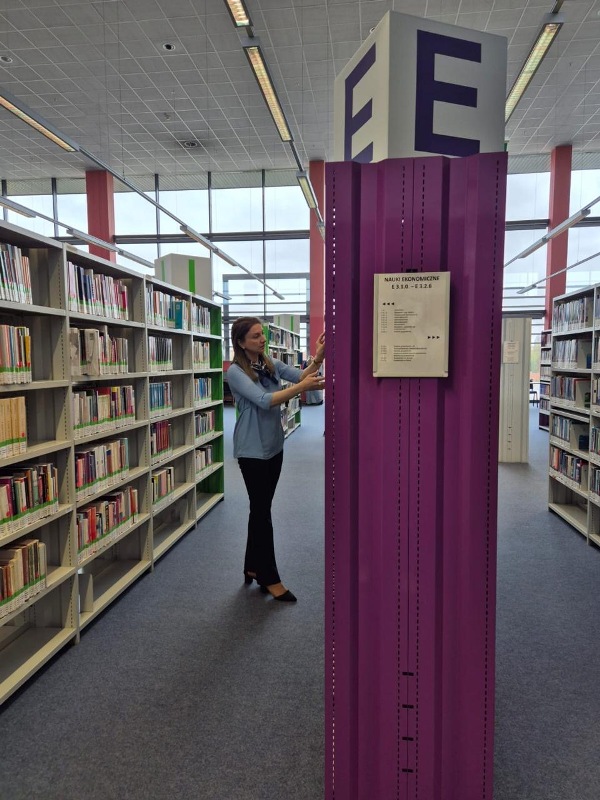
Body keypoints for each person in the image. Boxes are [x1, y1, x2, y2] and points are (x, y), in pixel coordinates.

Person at [227, 317, 325, 602]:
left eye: (262, 335)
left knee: (260, 509)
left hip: (273, 446)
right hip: (252, 451)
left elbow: (300, 375)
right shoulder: (235, 371)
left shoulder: (268, 363)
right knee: (262, 512)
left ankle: (252, 566)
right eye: (255, 336)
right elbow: (263, 400)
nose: (262, 340)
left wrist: (319, 357)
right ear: (241, 342)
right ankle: (269, 577)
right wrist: (301, 388)